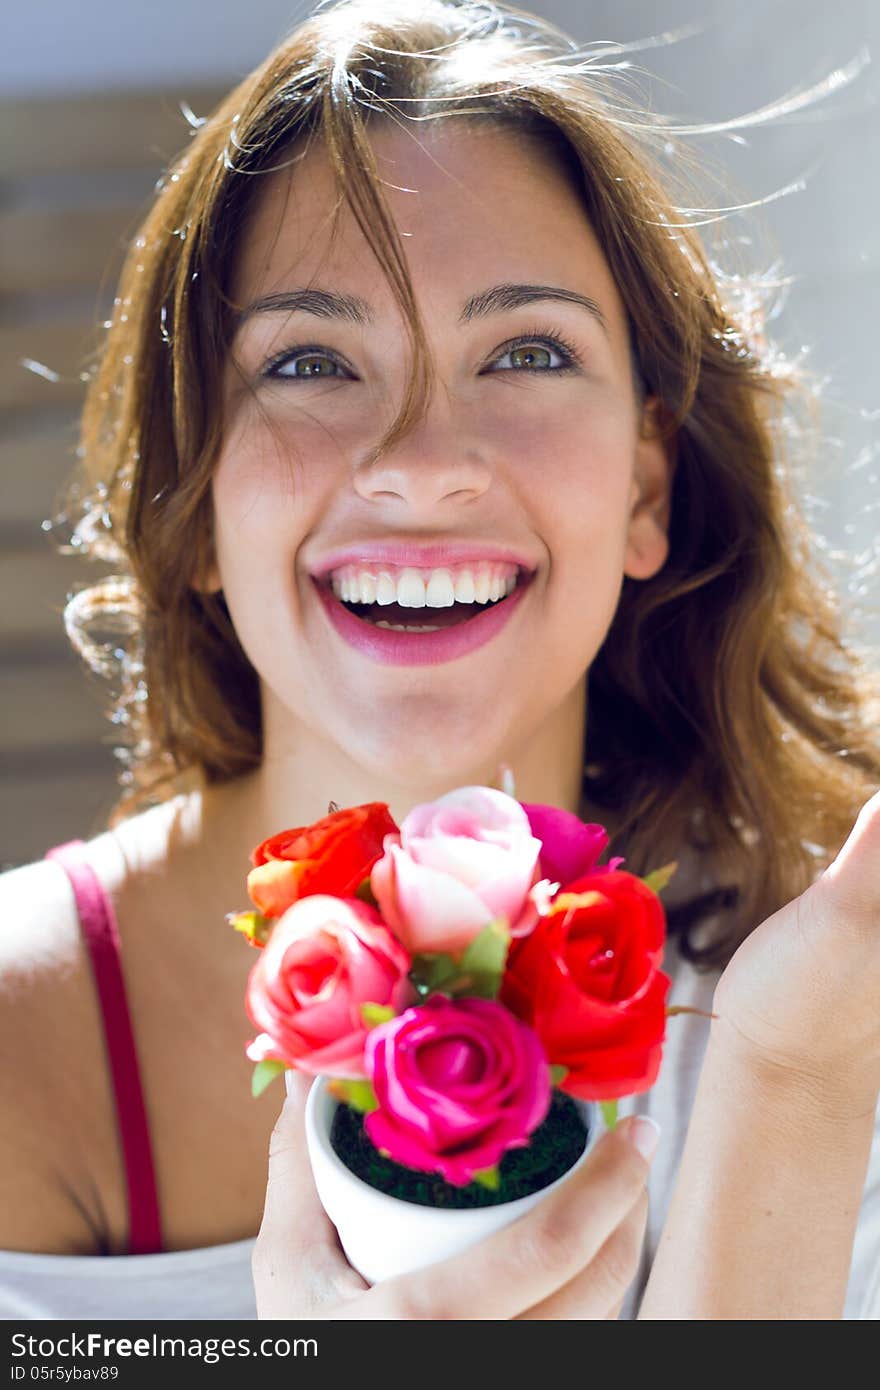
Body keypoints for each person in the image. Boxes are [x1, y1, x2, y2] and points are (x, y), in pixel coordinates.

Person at [1, 0, 878, 1321]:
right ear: (192, 502)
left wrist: (787, 1085)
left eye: (525, 350)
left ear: (647, 483)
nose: (421, 464)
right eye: (309, 360)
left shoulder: (824, 983)